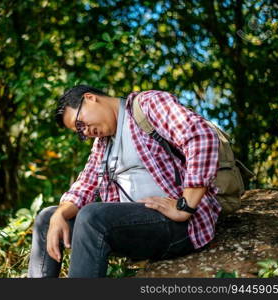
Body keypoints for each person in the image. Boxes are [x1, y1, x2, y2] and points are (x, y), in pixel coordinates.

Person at [28, 85, 221, 278]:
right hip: (135, 229)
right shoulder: (102, 145)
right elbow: (84, 187)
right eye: (79, 133)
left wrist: (184, 206)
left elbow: (200, 135)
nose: (85, 133)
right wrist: (60, 214)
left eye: (80, 124)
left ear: (90, 98)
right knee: (48, 218)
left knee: (91, 216)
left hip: (178, 226)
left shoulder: (147, 106)